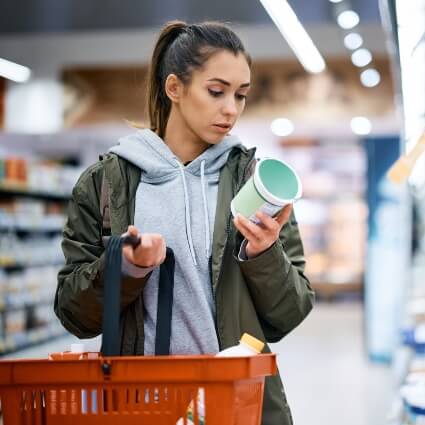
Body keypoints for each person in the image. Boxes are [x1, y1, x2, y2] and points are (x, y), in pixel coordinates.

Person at [54, 20, 314, 425]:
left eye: (241, 95)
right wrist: (126, 268)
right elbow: (73, 313)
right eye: (216, 91)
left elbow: (290, 313)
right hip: (142, 407)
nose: (231, 109)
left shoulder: (254, 183)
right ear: (174, 88)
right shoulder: (106, 184)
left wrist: (263, 254)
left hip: (237, 405)